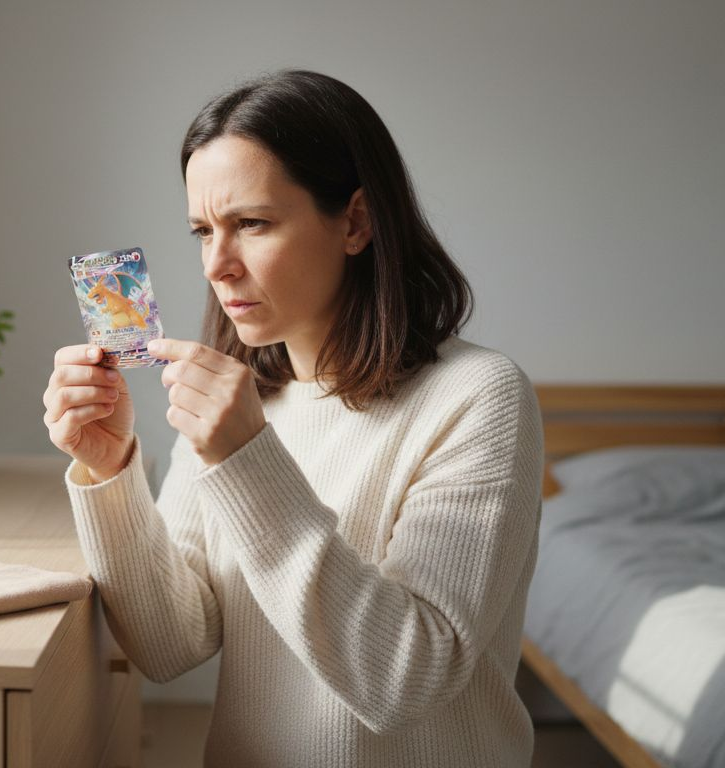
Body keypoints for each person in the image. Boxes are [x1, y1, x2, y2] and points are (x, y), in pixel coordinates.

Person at [43, 70, 543, 767]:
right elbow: (170, 646)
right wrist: (109, 468)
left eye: (252, 224)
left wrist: (246, 456)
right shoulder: (242, 401)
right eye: (202, 230)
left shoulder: (478, 397)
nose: (217, 264)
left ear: (356, 222)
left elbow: (403, 680)